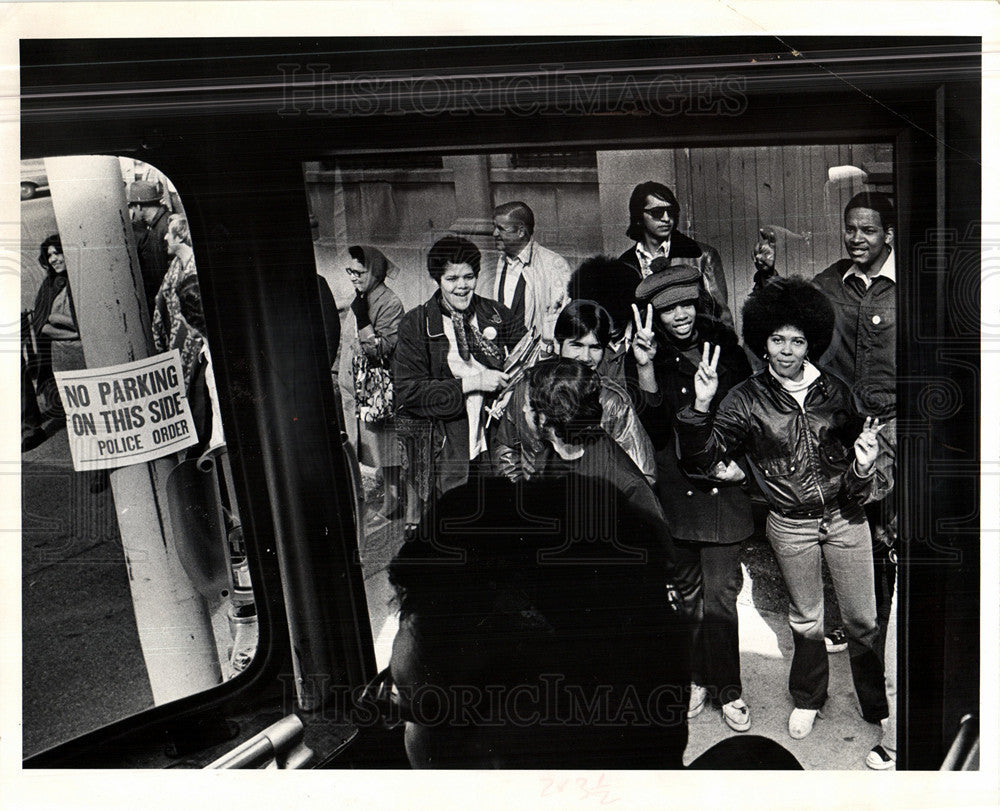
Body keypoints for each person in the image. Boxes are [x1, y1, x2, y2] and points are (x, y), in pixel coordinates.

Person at [675, 276, 890, 740]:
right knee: (807, 616)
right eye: (777, 340)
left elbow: (859, 478)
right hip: (789, 525)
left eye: (797, 340)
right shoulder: (746, 399)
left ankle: (877, 707)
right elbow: (702, 458)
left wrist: (864, 467)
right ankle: (810, 698)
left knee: (862, 619)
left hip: (845, 518)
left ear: (810, 342)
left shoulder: (836, 391)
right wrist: (701, 403)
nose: (787, 350)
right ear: (762, 342)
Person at [630, 262, 755, 733]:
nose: (679, 316)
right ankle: (698, 678)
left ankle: (730, 689)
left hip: (720, 482)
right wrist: (644, 368)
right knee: (687, 595)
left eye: (685, 304)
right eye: (667, 309)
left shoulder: (724, 344)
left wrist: (742, 464)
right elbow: (653, 429)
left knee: (721, 594)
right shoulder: (645, 350)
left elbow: (746, 413)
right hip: (674, 489)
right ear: (653, 314)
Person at [812, 191, 898, 648]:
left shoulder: (911, 287)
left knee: (887, 526)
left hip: (894, 425)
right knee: (846, 520)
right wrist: (765, 275)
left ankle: (882, 624)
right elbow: (792, 317)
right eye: (851, 229)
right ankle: (852, 619)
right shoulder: (828, 283)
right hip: (843, 425)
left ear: (888, 233)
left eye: (868, 230)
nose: (856, 239)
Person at [393, 235, 526, 497]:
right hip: (448, 445)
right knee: (455, 514)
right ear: (437, 280)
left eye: (469, 277)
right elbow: (408, 392)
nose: (462, 286)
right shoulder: (417, 325)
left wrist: (513, 386)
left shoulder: (495, 313)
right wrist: (473, 383)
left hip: (495, 438)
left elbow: (527, 357)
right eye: (452, 279)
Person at [492, 300, 656, 484]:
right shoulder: (527, 388)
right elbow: (505, 447)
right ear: (558, 344)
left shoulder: (612, 401)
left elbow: (644, 475)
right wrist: (521, 492)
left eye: (595, 347)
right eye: (577, 345)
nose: (586, 358)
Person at [338, 245, 405, 519]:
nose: (353, 276)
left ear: (375, 271)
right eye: (350, 271)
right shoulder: (360, 297)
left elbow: (383, 348)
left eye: (359, 271)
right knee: (359, 445)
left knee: (384, 448)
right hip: (354, 388)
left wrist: (364, 318)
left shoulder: (389, 302)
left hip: (376, 390)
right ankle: (366, 500)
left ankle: (393, 502)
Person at [618, 180, 733, 330]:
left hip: (693, 347)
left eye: (670, 211)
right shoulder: (625, 263)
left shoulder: (701, 256)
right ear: (639, 216)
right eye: (657, 212)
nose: (666, 218)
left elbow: (721, 316)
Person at [151, 215, 215, 455]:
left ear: (181, 237)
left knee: (200, 399)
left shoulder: (195, 267)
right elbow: (162, 302)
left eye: (170, 233)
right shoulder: (176, 264)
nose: (166, 237)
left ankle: (198, 447)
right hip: (176, 343)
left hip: (196, 344)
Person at [490, 201, 572, 348]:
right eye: (494, 227)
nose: (494, 233)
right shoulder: (501, 260)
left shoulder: (554, 264)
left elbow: (561, 319)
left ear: (521, 231)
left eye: (501, 229)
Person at [29, 235, 84, 421]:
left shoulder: (82, 278)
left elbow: (88, 319)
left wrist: (56, 319)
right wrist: (74, 331)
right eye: (49, 255)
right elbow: (41, 326)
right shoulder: (49, 285)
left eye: (57, 252)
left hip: (85, 353)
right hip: (63, 355)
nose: (53, 259)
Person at [128, 179, 172, 314]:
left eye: (133, 207)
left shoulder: (167, 226)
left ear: (139, 206)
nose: (134, 212)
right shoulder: (157, 226)